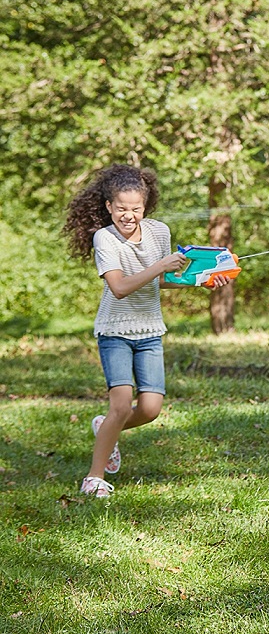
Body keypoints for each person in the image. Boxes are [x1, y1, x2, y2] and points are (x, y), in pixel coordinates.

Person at [63, 164, 231, 497]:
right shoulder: (104, 238)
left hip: (150, 329)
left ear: (146, 205)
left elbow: (164, 280)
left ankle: (105, 428)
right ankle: (93, 478)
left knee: (151, 408)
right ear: (109, 206)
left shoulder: (159, 232)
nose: (129, 215)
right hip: (115, 331)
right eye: (121, 209)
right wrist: (159, 266)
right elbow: (121, 287)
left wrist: (203, 281)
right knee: (122, 405)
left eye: (135, 209)